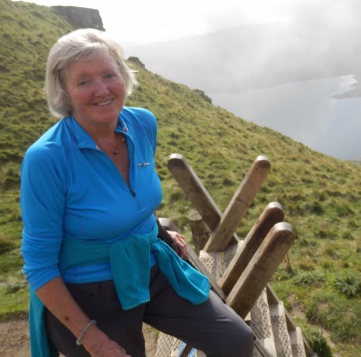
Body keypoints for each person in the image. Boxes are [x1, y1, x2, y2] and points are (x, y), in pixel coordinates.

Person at [20, 29, 254, 357]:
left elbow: (131, 197)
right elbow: (38, 264)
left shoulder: (142, 124)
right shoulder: (47, 158)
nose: (101, 90)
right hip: (89, 292)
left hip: (150, 266)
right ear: (64, 92)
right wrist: (91, 337)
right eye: (83, 81)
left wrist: (158, 230)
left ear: (123, 78)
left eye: (109, 75)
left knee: (235, 340)